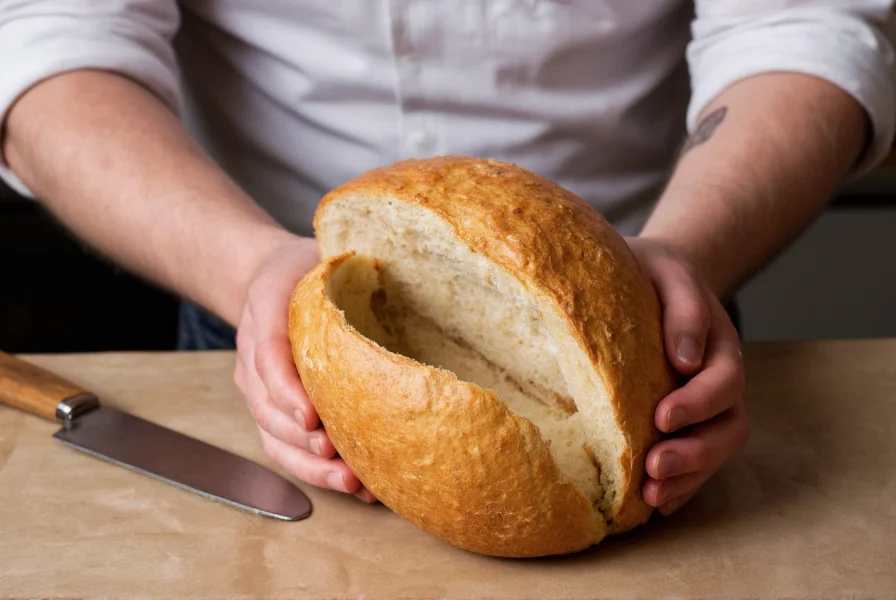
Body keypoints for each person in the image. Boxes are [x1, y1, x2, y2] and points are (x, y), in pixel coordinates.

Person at [1, 2, 893, 515]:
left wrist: (687, 251)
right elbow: (53, 42)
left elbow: (799, 23)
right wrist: (247, 269)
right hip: (251, 295)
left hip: (660, 303)